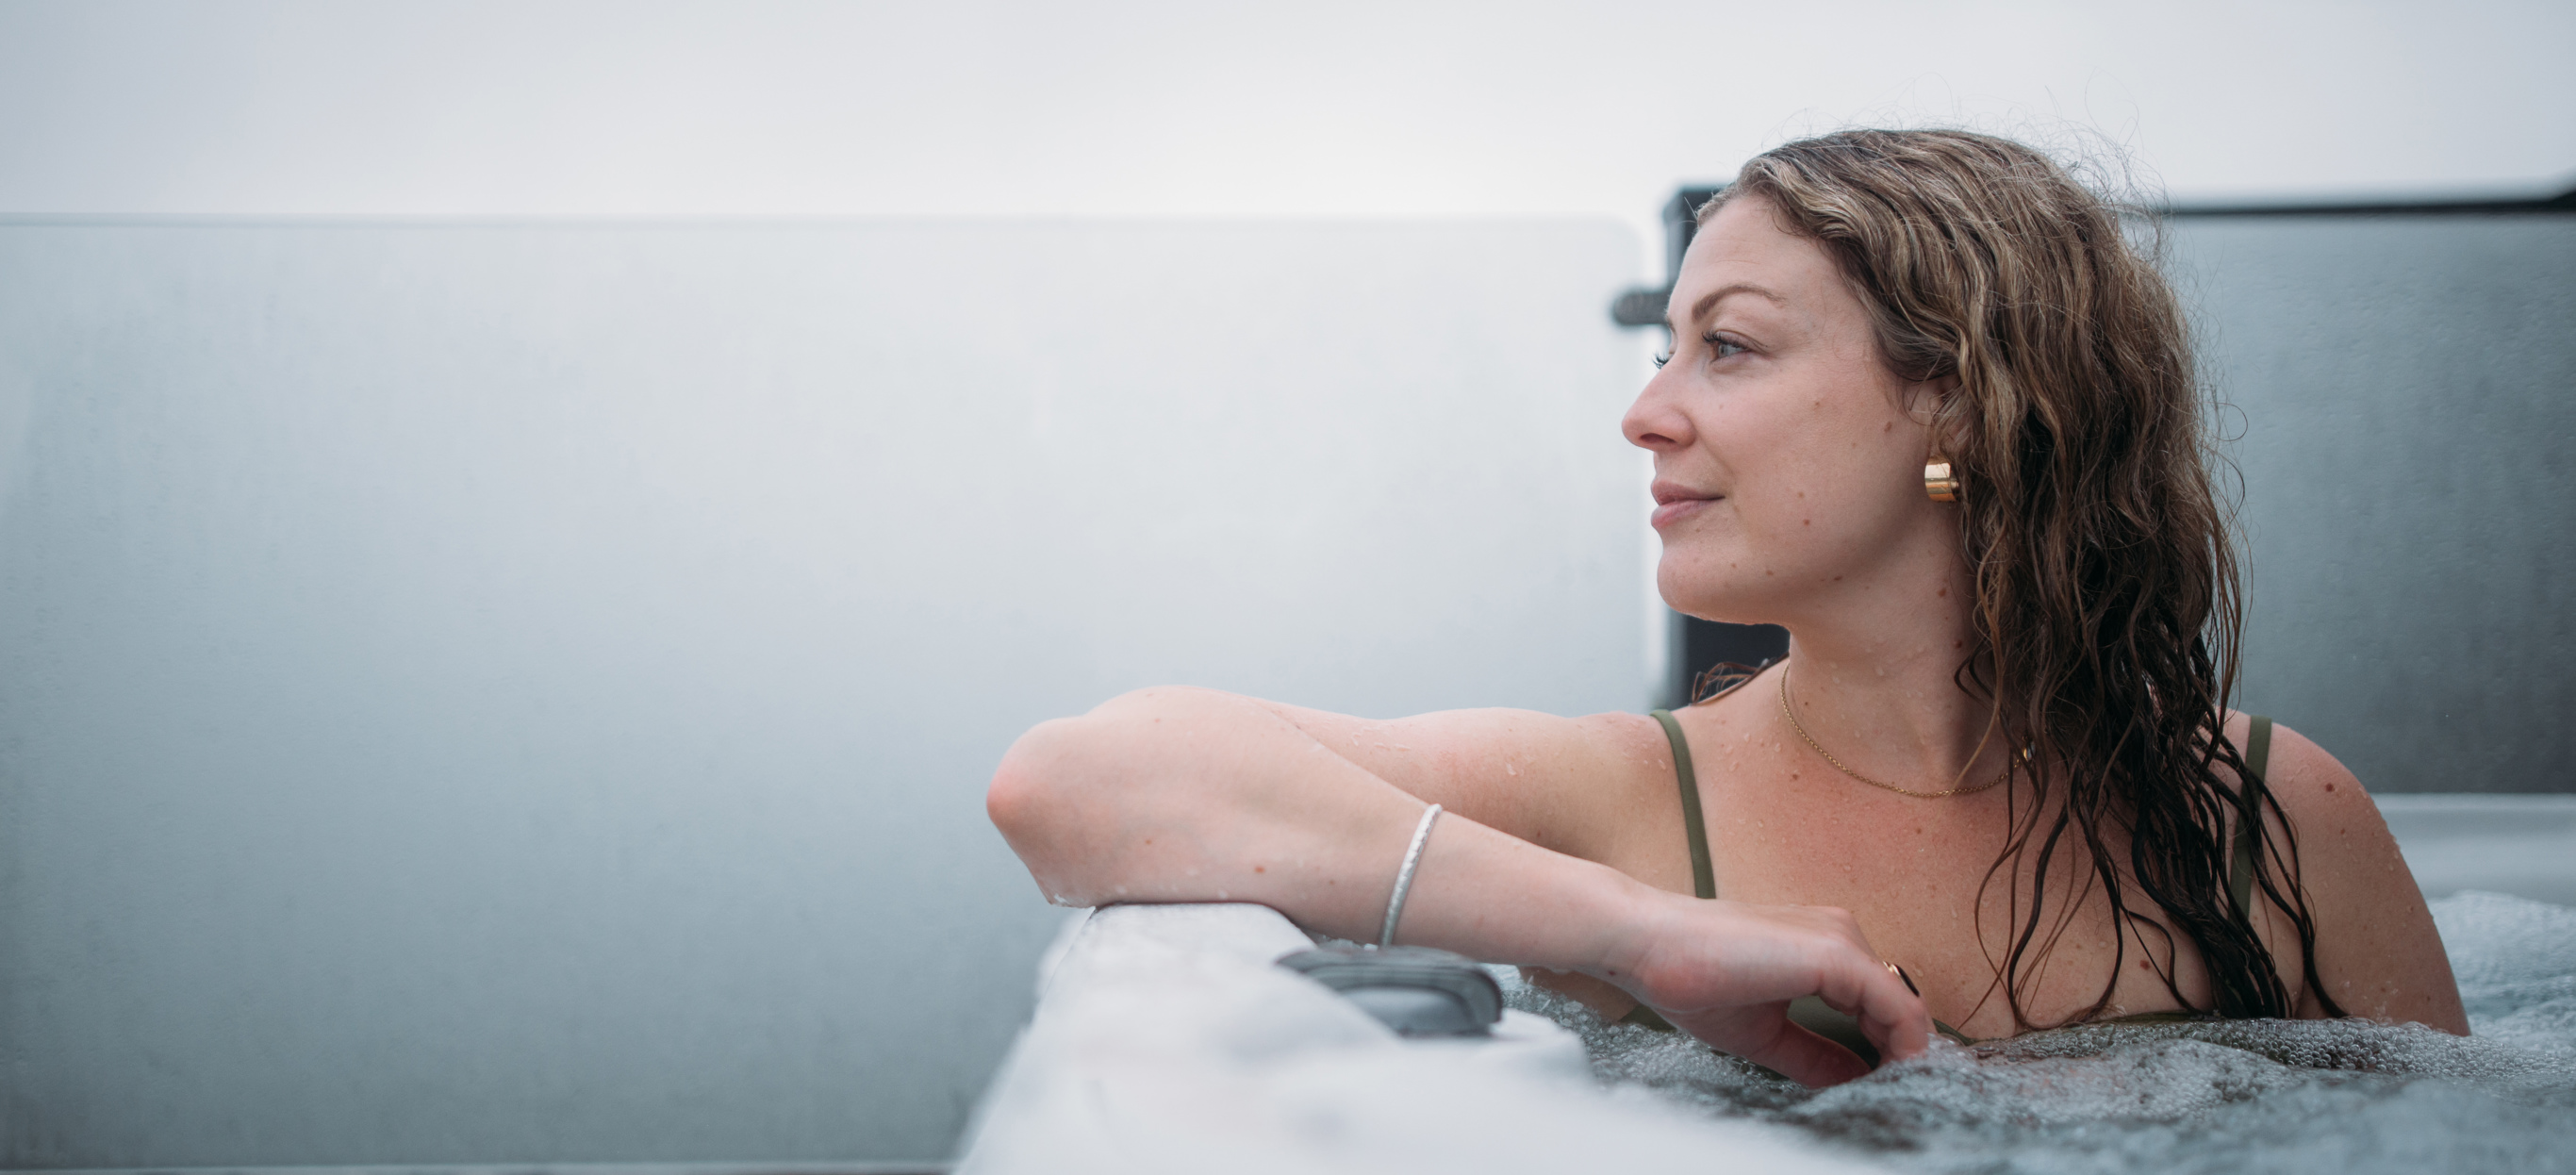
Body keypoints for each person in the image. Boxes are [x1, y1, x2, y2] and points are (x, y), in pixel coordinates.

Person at [983, 129, 2469, 1088]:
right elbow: (1074, 784)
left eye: (1732, 348)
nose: (1646, 414)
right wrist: (1646, 932)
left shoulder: (2269, 816)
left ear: (1963, 397)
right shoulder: (1621, 806)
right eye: (1667, 349)